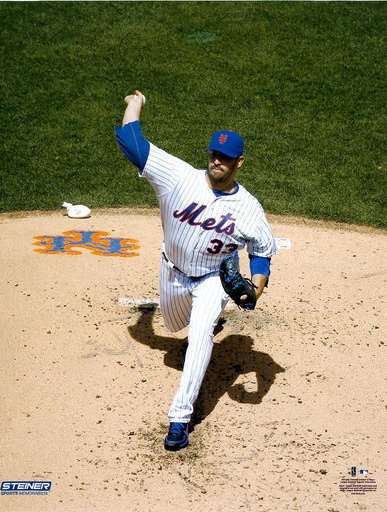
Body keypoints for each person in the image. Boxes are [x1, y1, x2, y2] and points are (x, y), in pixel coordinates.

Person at [114, 90, 278, 451]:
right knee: (174, 331)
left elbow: (262, 253)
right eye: (214, 154)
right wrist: (135, 104)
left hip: (213, 278)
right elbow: (130, 141)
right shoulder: (178, 176)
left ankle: (180, 417)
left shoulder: (249, 208)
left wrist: (255, 287)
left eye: (226, 158)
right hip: (171, 273)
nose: (217, 161)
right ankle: (199, 319)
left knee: (201, 333)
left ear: (239, 163)